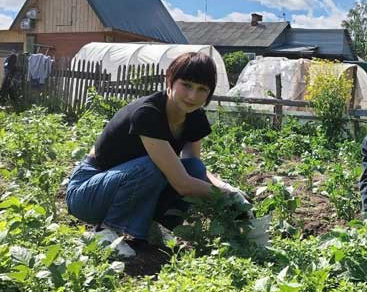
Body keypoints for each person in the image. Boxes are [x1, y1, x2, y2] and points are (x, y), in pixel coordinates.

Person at [66, 52, 250, 257]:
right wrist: (229, 197)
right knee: (156, 166)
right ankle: (105, 231)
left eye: (202, 89)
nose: (192, 96)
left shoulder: (195, 117)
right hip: (87, 192)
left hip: (123, 182)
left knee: (195, 168)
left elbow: (193, 168)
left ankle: (151, 227)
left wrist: (225, 187)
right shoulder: (148, 113)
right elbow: (182, 183)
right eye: (187, 85)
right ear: (169, 80)